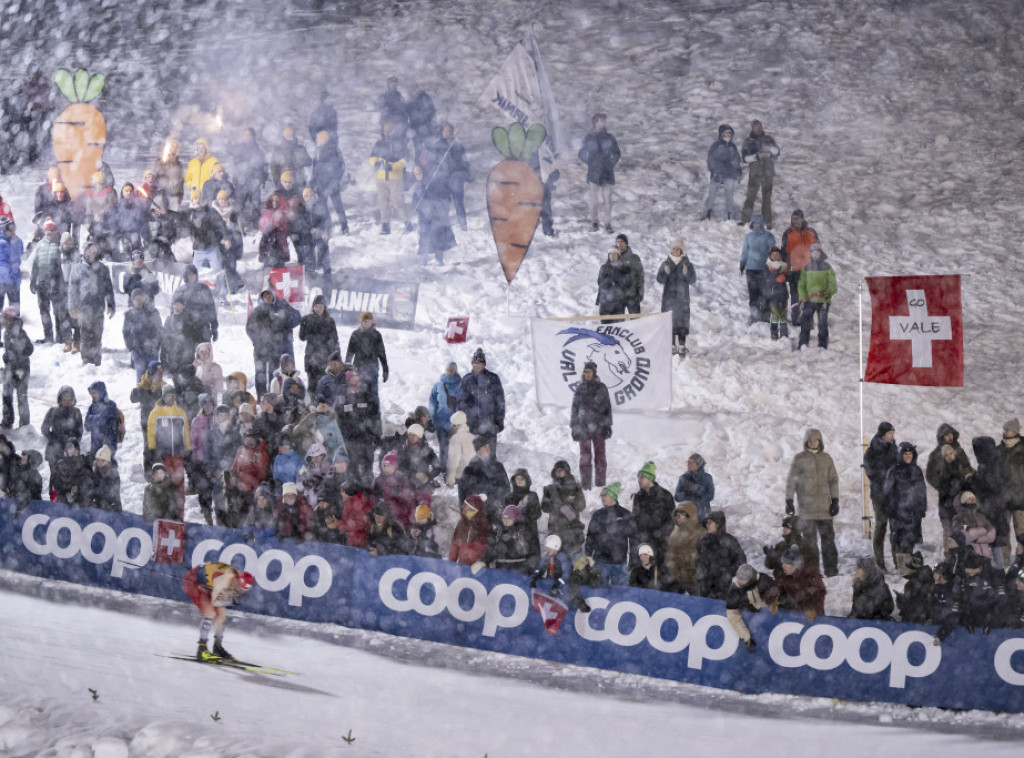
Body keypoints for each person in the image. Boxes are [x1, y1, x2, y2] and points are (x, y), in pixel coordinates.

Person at [785, 428, 840, 577]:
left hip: (825, 509)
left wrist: (835, 500)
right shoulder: (799, 459)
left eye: (816, 440)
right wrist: (789, 500)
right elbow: (791, 481)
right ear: (806, 442)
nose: (813, 443)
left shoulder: (827, 459)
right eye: (810, 440)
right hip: (807, 510)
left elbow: (833, 480)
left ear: (820, 441)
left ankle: (831, 570)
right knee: (810, 545)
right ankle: (813, 573)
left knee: (828, 542)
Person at [183, 561, 255, 661]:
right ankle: (201, 649)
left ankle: (217, 647)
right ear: (237, 580)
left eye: (243, 590)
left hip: (206, 582)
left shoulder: (233, 577)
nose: (239, 591)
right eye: (239, 587)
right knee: (210, 612)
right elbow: (215, 601)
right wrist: (233, 601)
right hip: (192, 581)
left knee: (222, 614)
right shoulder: (224, 580)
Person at [245, 288, 301, 399]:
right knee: (260, 374)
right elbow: (249, 328)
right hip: (260, 349)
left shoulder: (280, 309)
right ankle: (261, 398)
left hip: (275, 349)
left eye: (270, 295)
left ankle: (272, 398)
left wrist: (279, 339)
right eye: (265, 296)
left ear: (273, 296)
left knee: (273, 374)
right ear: (262, 297)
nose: (268, 298)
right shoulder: (257, 311)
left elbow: (290, 323)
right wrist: (257, 341)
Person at [66, 242, 115, 366]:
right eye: (90, 251)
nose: (93, 254)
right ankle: (86, 360)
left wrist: (111, 305)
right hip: (84, 307)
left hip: (98, 306)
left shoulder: (103, 269)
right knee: (86, 335)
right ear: (85, 252)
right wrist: (72, 306)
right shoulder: (77, 268)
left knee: (97, 335)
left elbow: (108, 288)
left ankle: (96, 360)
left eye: (95, 251)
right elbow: (72, 289)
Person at [925, 422, 973, 547]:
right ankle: (949, 554)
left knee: (964, 528)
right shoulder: (936, 455)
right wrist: (943, 486)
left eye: (951, 434)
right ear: (941, 437)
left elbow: (967, 468)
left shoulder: (959, 451)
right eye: (946, 435)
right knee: (948, 528)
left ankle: (963, 554)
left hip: (962, 497)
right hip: (946, 499)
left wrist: (971, 479)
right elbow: (930, 475)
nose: (950, 437)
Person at [883, 441, 928, 573]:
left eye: (910, 454)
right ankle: (902, 568)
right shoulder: (894, 471)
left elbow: (922, 490)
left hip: (913, 514)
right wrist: (891, 509)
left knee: (910, 541)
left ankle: (907, 569)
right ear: (900, 455)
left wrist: (922, 507)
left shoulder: (917, 470)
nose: (908, 456)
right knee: (900, 542)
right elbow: (888, 492)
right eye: (905, 454)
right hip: (898, 513)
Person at [147, 385, 190, 517]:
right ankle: (166, 515)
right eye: (169, 396)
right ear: (163, 397)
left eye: (173, 395)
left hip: (178, 455)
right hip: (163, 455)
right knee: (165, 485)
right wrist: (153, 450)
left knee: (179, 485)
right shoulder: (155, 413)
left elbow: (186, 432)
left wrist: (188, 449)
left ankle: (179, 516)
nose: (171, 398)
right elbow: (151, 434)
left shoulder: (180, 412)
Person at [569, 360, 612, 490]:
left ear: (594, 373)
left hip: (599, 427)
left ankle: (600, 484)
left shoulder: (602, 388)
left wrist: (607, 425)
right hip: (583, 428)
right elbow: (574, 409)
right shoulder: (580, 388)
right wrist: (574, 427)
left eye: (589, 372)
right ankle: (586, 485)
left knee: (600, 457)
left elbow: (607, 408)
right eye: (585, 372)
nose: (587, 374)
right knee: (585, 458)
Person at [585, 482, 638, 587]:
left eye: (605, 495)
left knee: (620, 593)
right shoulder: (598, 514)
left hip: (619, 563)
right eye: (601, 495)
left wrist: (633, 560)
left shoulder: (625, 515)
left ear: (612, 496)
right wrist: (587, 555)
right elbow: (591, 536)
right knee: (599, 592)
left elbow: (634, 539)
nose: (602, 498)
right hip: (600, 561)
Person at [863, 421, 898, 571]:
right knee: (881, 525)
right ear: (882, 435)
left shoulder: (894, 448)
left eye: (893, 433)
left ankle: (898, 562)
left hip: (893, 495)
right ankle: (879, 562)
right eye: (890, 433)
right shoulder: (872, 451)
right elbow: (870, 471)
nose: (892, 436)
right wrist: (884, 477)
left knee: (896, 528)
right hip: (879, 495)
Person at [457, 347, 505, 456]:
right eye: (474, 363)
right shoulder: (467, 379)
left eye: (479, 363)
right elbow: (460, 402)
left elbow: (500, 401)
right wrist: (462, 422)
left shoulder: (493, 378)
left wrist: (499, 420)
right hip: (472, 425)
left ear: (484, 364)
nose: (476, 366)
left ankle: (491, 467)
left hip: (490, 424)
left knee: (490, 455)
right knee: (473, 456)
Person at [29, 218, 70, 345]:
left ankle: (60, 336)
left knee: (58, 311)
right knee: (44, 311)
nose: (49, 232)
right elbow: (35, 264)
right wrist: (33, 280)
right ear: (43, 231)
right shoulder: (39, 245)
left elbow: (67, 260)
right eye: (47, 230)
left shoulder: (59, 245)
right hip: (42, 283)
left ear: (55, 231)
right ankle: (48, 336)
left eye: (52, 230)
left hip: (56, 284)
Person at [578, 113, 620, 233]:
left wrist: (611, 162)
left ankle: (607, 224)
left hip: (607, 172)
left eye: (603, 121)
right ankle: (594, 223)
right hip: (594, 173)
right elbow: (582, 153)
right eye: (600, 121)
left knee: (607, 200)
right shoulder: (589, 137)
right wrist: (591, 163)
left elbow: (617, 153)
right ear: (595, 122)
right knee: (593, 200)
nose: (602, 123)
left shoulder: (610, 138)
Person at [656, 239, 697, 357]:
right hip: (669, 299)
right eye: (673, 249)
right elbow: (659, 280)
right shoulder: (665, 264)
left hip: (682, 299)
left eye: (678, 249)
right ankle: (672, 345)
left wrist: (686, 273)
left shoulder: (687, 264)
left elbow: (692, 280)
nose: (675, 251)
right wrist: (665, 273)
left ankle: (682, 345)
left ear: (681, 250)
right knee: (670, 321)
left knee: (682, 321)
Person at [541, 459, 588, 560]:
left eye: (561, 470)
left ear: (567, 471)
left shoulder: (575, 487)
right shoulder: (550, 488)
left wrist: (571, 502)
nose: (558, 472)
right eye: (556, 470)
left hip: (572, 529)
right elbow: (545, 509)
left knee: (574, 560)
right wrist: (547, 498)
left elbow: (581, 506)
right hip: (555, 530)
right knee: (556, 561)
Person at [411, 163, 456, 265]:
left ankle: (439, 259)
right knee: (424, 237)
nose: (419, 175)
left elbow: (442, 196)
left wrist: (428, 194)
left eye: (420, 173)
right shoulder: (417, 186)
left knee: (438, 236)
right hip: (424, 217)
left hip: (436, 216)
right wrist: (419, 202)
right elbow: (414, 204)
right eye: (416, 174)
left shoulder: (432, 182)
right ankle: (423, 259)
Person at [456, 437, 510, 522]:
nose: (488, 449)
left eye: (488, 447)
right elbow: (462, 493)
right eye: (484, 447)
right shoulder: (469, 470)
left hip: (496, 513)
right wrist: (464, 513)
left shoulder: (498, 467)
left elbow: (506, 488)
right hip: (476, 514)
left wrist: (496, 501)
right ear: (478, 451)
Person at [631, 461, 675, 564]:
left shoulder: (665, 495)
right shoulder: (638, 497)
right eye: (638, 477)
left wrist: (661, 535)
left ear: (650, 478)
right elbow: (636, 521)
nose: (639, 480)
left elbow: (671, 520)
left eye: (642, 477)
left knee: (659, 570)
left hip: (660, 544)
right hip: (643, 544)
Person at [369, 120, 409, 235]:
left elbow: (405, 160)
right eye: (385, 130)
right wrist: (376, 163)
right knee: (382, 202)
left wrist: (392, 166)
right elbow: (372, 157)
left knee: (398, 201)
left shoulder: (400, 144)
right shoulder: (379, 144)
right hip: (381, 178)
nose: (387, 133)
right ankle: (385, 225)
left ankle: (407, 223)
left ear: (394, 130)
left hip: (395, 178)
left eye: (389, 130)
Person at [739, 120, 781, 227]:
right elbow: (744, 159)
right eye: (756, 127)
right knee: (750, 196)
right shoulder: (748, 142)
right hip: (755, 173)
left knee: (767, 197)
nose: (759, 129)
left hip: (768, 172)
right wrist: (756, 157)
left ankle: (767, 221)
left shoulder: (769, 139)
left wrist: (770, 148)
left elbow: (777, 152)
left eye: (760, 127)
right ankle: (745, 220)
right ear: (752, 128)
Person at [696, 510, 746, 600]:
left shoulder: (730, 541)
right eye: (707, 522)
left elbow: (741, 561)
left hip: (724, 588)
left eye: (710, 522)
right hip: (706, 587)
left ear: (718, 524)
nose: (707, 525)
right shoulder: (704, 541)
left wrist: (727, 573)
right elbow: (699, 560)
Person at [765, 545, 825, 619]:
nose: (783, 566)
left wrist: (811, 608)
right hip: (791, 614)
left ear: (795, 565)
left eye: (786, 563)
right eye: (782, 563)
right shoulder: (784, 575)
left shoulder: (811, 575)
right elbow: (776, 586)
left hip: (809, 616)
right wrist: (771, 598)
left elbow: (820, 592)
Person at [796, 243, 837, 350]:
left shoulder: (827, 267)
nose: (815, 254)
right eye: (813, 252)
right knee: (805, 323)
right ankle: (803, 344)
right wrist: (802, 296)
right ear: (810, 254)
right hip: (809, 301)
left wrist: (828, 292)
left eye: (817, 252)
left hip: (823, 301)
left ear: (821, 253)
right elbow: (801, 284)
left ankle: (822, 346)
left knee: (822, 324)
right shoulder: (806, 268)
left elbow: (833, 284)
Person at [725, 563, 773, 651]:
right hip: (751, 615)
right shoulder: (734, 589)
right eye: (739, 578)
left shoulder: (764, 581)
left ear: (750, 579)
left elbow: (779, 596)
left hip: (771, 613)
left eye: (743, 579)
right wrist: (747, 637)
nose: (739, 581)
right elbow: (733, 615)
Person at [738, 214, 775, 325]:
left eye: (758, 223)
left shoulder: (768, 236)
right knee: (753, 294)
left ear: (762, 224)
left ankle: (766, 317)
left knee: (766, 294)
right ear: (752, 224)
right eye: (754, 223)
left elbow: (773, 252)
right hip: (751, 269)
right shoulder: (748, 237)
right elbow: (745, 252)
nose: (756, 225)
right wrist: (742, 264)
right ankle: (754, 316)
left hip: (765, 269)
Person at [700, 124, 742, 222]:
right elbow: (711, 161)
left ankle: (730, 216)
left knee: (729, 196)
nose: (727, 135)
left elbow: (736, 161)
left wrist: (737, 172)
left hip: (730, 175)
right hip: (717, 175)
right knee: (711, 195)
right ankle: (706, 213)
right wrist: (719, 169)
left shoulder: (732, 147)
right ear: (721, 134)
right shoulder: (715, 146)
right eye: (725, 133)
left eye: (729, 133)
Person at [299, 295, 339, 394]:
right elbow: (302, 337)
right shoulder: (307, 319)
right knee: (311, 386)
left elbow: (335, 341)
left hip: (324, 359)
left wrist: (336, 358)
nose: (318, 309)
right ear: (313, 307)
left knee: (323, 386)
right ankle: (311, 403)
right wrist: (305, 326)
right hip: (310, 358)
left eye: (320, 307)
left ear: (324, 308)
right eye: (316, 306)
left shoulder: (330, 321)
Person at [310, 130, 348, 235]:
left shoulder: (334, 150)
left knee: (338, 206)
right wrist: (313, 182)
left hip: (332, 184)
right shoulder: (317, 151)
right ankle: (326, 227)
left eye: (318, 139)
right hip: (320, 184)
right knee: (323, 208)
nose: (317, 141)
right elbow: (315, 168)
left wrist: (336, 180)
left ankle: (345, 227)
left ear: (324, 140)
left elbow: (341, 167)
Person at [662, 501, 704, 594]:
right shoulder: (675, 531)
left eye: (680, 515)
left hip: (693, 578)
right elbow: (670, 552)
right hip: (676, 576)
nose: (677, 517)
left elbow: (703, 558)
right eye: (676, 515)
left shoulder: (701, 532)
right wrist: (669, 568)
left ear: (689, 515)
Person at [345, 311, 389, 400]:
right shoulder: (356, 334)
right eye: (364, 321)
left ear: (372, 322)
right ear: (361, 322)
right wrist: (347, 368)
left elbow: (382, 353)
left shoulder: (377, 335)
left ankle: (373, 408)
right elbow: (350, 352)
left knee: (373, 394)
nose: (366, 323)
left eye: (368, 321)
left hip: (373, 369)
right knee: (359, 393)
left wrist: (385, 369)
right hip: (359, 368)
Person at [780, 209, 819, 305]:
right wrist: (785, 270)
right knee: (795, 299)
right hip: (794, 271)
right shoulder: (788, 233)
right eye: (793, 218)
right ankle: (795, 314)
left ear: (802, 219)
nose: (795, 221)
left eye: (797, 218)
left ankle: (807, 314)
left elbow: (818, 251)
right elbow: (784, 253)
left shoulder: (812, 233)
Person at [1, 310, 32, 428]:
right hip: (10, 369)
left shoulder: (20, 333)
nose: (2, 321)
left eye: (4, 318)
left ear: (9, 319)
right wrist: (7, 358)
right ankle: (7, 420)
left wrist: (19, 366)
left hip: (21, 370)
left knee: (22, 397)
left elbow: (29, 349)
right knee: (6, 395)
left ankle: (24, 425)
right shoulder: (7, 333)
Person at [428, 362, 461, 472]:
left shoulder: (461, 386)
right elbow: (432, 401)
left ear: (455, 371)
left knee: (454, 447)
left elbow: (464, 403)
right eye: (448, 369)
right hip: (440, 421)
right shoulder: (438, 385)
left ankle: (454, 470)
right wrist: (433, 415)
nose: (449, 371)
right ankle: (443, 469)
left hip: (455, 423)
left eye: (452, 370)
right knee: (443, 447)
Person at [998, 418, 1024, 549]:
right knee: (1002, 533)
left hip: (1020, 499)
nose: (1004, 431)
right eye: (1004, 429)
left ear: (1015, 431)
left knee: (1022, 533)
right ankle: (1004, 560)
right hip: (1003, 499)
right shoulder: (998, 450)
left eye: (1007, 429)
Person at [449, 494, 492, 565]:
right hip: (462, 565)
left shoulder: (483, 525)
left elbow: (487, 548)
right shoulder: (462, 523)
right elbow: (454, 544)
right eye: (465, 507)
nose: (464, 509)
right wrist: (451, 562)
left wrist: (481, 562)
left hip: (477, 567)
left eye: (469, 509)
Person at [848, 556, 895, 620]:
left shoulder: (879, 587)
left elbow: (888, 608)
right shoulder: (859, 585)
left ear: (866, 570)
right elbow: (855, 610)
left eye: (859, 568)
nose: (855, 569)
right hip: (860, 621)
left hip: (875, 622)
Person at [674, 453, 715, 522]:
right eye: (688, 462)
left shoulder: (707, 478)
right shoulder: (683, 478)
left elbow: (710, 496)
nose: (688, 464)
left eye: (691, 463)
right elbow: (677, 497)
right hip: (686, 514)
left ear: (698, 464)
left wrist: (699, 491)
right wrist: (686, 493)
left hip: (703, 514)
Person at [84, 381, 120, 457]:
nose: (92, 395)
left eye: (94, 393)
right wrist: (98, 418)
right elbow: (87, 426)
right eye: (91, 393)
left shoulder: (111, 405)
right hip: (95, 447)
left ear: (101, 392)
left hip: (108, 446)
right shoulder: (92, 407)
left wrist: (92, 419)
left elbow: (104, 421)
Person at [596, 247, 630, 322]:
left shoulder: (624, 268)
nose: (612, 255)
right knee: (605, 324)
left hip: (619, 301)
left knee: (618, 325)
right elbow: (600, 282)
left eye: (614, 253)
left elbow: (627, 283)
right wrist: (609, 281)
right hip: (605, 301)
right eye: (610, 254)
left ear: (618, 255)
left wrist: (617, 283)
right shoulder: (604, 267)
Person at [763, 246, 790, 340]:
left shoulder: (784, 266)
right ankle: (774, 334)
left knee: (783, 314)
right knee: (775, 314)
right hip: (773, 294)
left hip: (783, 294)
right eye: (773, 255)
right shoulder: (767, 266)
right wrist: (777, 276)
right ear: (770, 256)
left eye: (777, 254)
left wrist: (785, 277)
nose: (775, 256)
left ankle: (784, 334)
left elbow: (790, 276)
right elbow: (766, 278)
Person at [614, 234, 644, 314]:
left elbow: (640, 276)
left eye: (622, 241)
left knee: (636, 319)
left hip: (632, 294)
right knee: (618, 320)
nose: (619, 244)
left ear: (626, 243)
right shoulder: (613, 258)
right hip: (618, 296)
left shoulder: (634, 258)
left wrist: (640, 292)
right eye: (618, 242)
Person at [0, 216, 24, 314]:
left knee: (15, 310)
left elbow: (20, 256)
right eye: (11, 229)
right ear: (4, 230)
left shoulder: (17, 241)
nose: (14, 232)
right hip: (1, 281)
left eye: (14, 229)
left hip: (14, 280)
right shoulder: (1, 242)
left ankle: (15, 323)